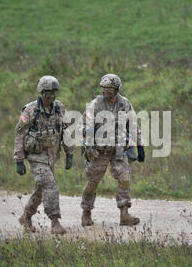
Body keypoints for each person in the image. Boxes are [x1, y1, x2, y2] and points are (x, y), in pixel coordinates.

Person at [80, 74, 144, 227]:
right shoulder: (95, 105)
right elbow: (81, 126)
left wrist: (140, 146)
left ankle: (124, 213)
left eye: (110, 89)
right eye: (104, 89)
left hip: (119, 150)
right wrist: (91, 133)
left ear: (117, 89)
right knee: (93, 182)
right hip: (99, 151)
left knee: (125, 179)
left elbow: (133, 125)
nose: (106, 91)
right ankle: (86, 212)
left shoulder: (125, 104)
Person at [13, 75, 74, 234]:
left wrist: (69, 153)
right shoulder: (31, 110)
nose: (51, 95)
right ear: (41, 92)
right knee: (50, 185)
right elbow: (20, 134)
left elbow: (66, 131)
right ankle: (55, 222)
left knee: (40, 190)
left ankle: (26, 216)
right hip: (36, 156)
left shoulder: (59, 108)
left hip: (52, 156)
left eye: (54, 92)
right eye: (47, 92)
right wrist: (19, 159)